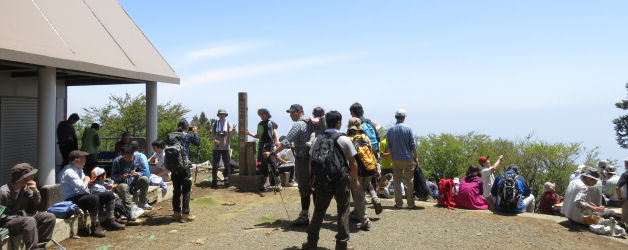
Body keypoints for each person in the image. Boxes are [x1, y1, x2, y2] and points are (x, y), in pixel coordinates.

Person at [302, 111, 359, 250]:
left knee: (319, 211)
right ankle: (341, 245)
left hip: (323, 181)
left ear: (326, 122)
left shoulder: (318, 139)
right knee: (343, 211)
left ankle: (311, 243)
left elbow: (311, 160)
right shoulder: (344, 139)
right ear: (339, 122)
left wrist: (312, 178)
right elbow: (353, 162)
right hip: (341, 180)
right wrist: (355, 181)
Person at [58, 150, 124, 237]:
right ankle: (94, 226)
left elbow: (85, 186)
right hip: (71, 199)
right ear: (76, 160)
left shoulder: (79, 170)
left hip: (81, 195)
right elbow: (82, 187)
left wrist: (87, 181)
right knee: (94, 198)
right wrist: (87, 180)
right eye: (84, 159)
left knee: (109, 194)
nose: (85, 161)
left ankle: (110, 220)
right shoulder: (69, 172)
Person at [269, 104, 312, 225]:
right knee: (314, 187)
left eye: (292, 112)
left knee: (304, 187)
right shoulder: (310, 123)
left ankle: (304, 217)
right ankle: (316, 216)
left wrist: (273, 153)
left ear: (299, 112)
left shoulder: (298, 124)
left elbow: (287, 141)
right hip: (313, 159)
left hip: (303, 160)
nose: (290, 115)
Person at [0, 163, 56, 249]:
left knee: (49, 216)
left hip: (23, 217)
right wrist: (18, 217)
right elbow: (1, 216)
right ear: (22, 178)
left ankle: (40, 247)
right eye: (30, 175)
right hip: (8, 222)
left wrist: (36, 192)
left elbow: (36, 204)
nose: (33, 177)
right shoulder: (4, 192)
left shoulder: (25, 188)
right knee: (29, 220)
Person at [349, 103, 383, 212]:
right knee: (369, 179)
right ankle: (374, 196)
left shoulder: (357, 124)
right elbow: (378, 139)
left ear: (353, 113)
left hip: (360, 156)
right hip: (372, 154)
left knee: (358, 180)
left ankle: (360, 209)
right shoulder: (370, 122)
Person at [346, 117, 376, 230]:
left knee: (359, 195)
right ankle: (357, 213)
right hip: (369, 169)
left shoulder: (348, 140)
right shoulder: (366, 138)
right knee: (361, 193)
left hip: (356, 171)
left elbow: (347, 158)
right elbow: (372, 153)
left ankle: (365, 220)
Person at [386, 109, 419, 209]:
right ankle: (410, 204)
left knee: (397, 181)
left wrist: (392, 158)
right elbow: (413, 145)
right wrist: (416, 157)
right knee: (409, 181)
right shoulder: (408, 129)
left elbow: (389, 147)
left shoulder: (390, 130)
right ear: (404, 117)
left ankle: (399, 203)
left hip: (396, 159)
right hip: (407, 158)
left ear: (396, 117)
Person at [170, 119, 199, 222]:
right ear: (187, 127)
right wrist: (195, 132)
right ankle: (185, 215)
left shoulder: (171, 136)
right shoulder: (187, 136)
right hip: (184, 167)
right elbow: (197, 143)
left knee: (176, 191)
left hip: (173, 167)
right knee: (186, 191)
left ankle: (176, 213)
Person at [247, 108, 280, 191]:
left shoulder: (271, 123)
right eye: (260, 114)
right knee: (263, 165)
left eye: (263, 114)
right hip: (262, 145)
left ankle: (278, 183)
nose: (261, 115)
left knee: (272, 163)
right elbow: (258, 136)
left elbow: (275, 131)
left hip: (270, 145)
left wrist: (277, 140)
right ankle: (266, 183)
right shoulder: (259, 124)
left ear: (267, 114)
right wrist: (249, 133)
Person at [111, 145, 151, 210]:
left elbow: (143, 171)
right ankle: (130, 208)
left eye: (130, 157)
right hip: (122, 184)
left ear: (133, 154)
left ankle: (143, 202)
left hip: (134, 183)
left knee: (145, 179)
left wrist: (137, 174)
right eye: (125, 157)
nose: (128, 159)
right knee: (124, 186)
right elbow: (113, 175)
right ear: (122, 155)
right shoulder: (117, 161)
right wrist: (121, 177)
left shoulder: (138, 158)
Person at [211, 109, 235, 188]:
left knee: (227, 164)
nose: (222, 115)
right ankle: (214, 181)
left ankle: (226, 180)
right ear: (218, 115)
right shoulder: (214, 124)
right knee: (215, 165)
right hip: (216, 147)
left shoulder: (229, 124)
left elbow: (230, 136)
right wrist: (215, 140)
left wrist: (233, 131)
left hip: (225, 147)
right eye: (220, 114)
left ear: (225, 115)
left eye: (223, 114)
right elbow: (212, 135)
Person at [616, 158, 628, 224]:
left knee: (625, 222)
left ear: (626, 164)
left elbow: (617, 187)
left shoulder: (625, 174)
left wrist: (620, 198)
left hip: (627, 201)